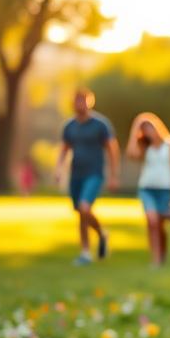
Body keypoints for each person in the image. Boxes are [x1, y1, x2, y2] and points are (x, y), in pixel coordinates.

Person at [54, 88, 119, 265]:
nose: (80, 104)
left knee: (84, 207)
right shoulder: (69, 126)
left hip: (94, 173)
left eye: (83, 100)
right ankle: (93, 243)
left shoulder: (100, 125)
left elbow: (112, 149)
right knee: (81, 213)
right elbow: (64, 149)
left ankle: (90, 246)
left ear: (90, 102)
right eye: (77, 100)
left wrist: (114, 175)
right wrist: (59, 169)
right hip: (76, 174)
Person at [126, 112, 170, 267]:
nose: (147, 131)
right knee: (152, 221)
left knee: (160, 225)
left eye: (149, 127)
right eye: (143, 129)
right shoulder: (145, 146)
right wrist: (135, 129)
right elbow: (131, 154)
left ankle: (162, 254)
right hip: (147, 188)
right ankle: (155, 259)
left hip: (165, 190)